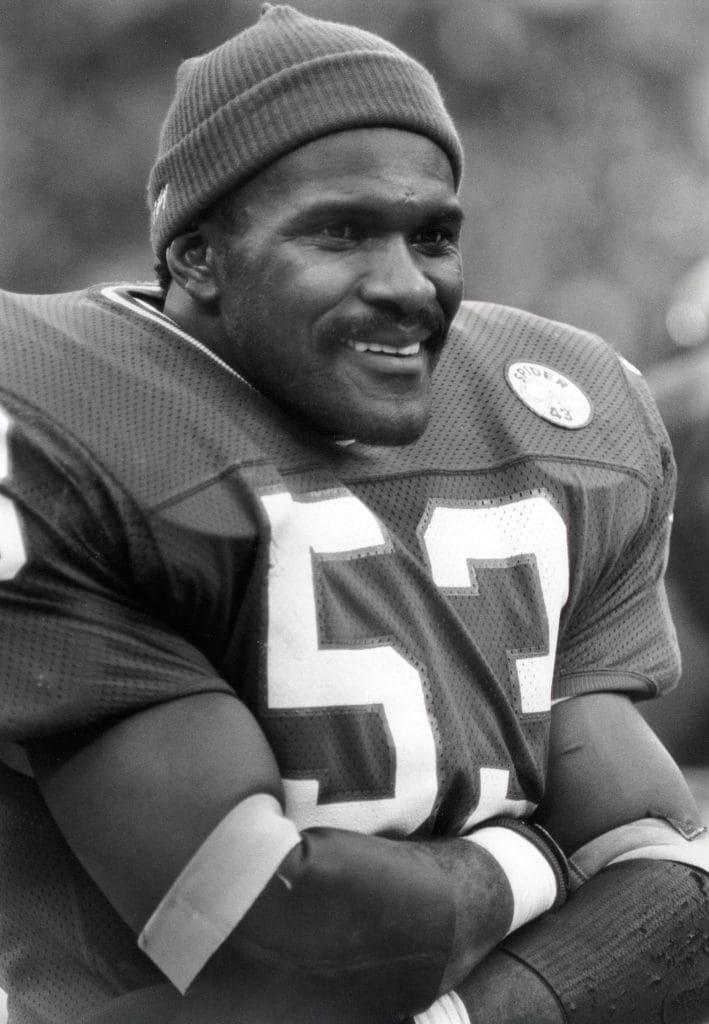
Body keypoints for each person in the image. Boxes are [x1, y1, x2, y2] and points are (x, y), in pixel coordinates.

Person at [0, 5, 708, 1023]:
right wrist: (542, 851)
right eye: (340, 232)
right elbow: (281, 931)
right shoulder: (72, 429)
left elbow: (666, 890)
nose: (405, 285)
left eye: (431, 235)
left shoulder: (556, 418)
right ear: (196, 257)